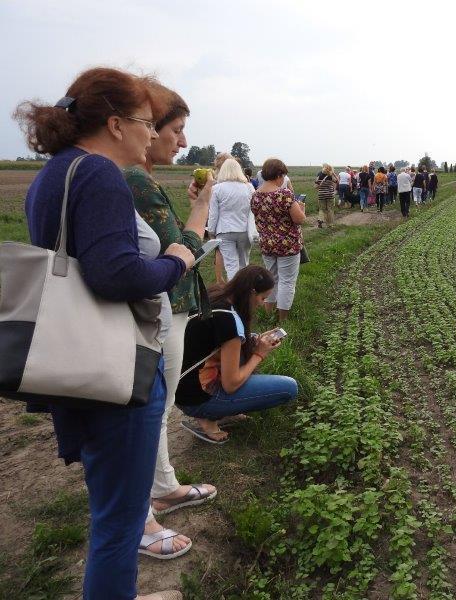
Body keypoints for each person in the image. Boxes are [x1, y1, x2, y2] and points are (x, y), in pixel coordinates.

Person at [16, 67, 195, 600]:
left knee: (110, 504)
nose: (150, 131)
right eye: (145, 121)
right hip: (114, 369)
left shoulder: (57, 171)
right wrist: (175, 261)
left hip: (76, 360)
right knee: (119, 522)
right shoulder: (97, 174)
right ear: (116, 124)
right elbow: (115, 274)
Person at [124, 82, 216, 563]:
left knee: (156, 407)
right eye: (176, 130)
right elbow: (179, 250)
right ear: (144, 127)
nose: (182, 142)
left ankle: (165, 485)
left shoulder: (142, 179)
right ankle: (145, 514)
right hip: (162, 308)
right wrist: (201, 209)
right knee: (151, 409)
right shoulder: (135, 180)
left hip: (164, 306)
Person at [175, 266, 298, 443]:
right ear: (251, 292)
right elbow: (230, 385)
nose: (262, 303)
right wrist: (259, 354)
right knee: (289, 388)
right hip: (196, 398)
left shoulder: (216, 294)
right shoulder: (230, 322)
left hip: (180, 387)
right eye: (262, 298)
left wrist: (253, 340)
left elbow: (212, 342)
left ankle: (219, 409)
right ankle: (209, 415)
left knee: (245, 351)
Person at [252, 158, 305, 321]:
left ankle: (268, 314)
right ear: (279, 175)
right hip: (287, 244)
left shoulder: (255, 195)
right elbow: (299, 219)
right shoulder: (285, 194)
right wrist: (302, 208)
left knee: (272, 279)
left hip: (267, 244)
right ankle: (283, 319)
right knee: (287, 281)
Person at [209, 158, 255, 279]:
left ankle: (234, 293)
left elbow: (213, 214)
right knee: (244, 264)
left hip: (224, 230)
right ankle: (245, 292)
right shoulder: (249, 187)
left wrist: (211, 232)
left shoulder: (217, 189)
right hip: (245, 230)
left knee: (231, 266)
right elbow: (254, 209)